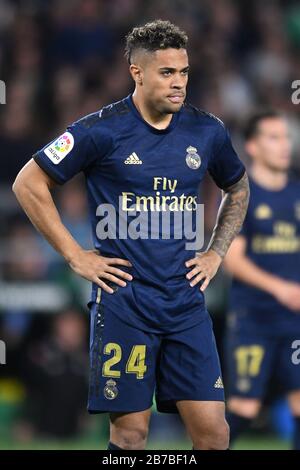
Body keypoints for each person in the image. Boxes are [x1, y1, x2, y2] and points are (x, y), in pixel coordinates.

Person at [13, 20, 249, 450]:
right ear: (136, 73)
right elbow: (27, 183)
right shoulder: (99, 130)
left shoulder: (207, 131)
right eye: (167, 73)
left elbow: (238, 186)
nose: (179, 84)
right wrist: (74, 254)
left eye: (184, 72)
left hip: (185, 304)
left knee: (215, 436)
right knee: (130, 436)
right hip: (125, 304)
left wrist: (217, 252)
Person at [224, 110, 300, 449]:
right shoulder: (241, 196)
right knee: (245, 406)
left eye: (285, 136)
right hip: (253, 317)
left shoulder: (297, 191)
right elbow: (231, 260)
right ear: (253, 146)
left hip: (295, 320)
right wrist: (281, 288)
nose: (284, 145)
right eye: (273, 137)